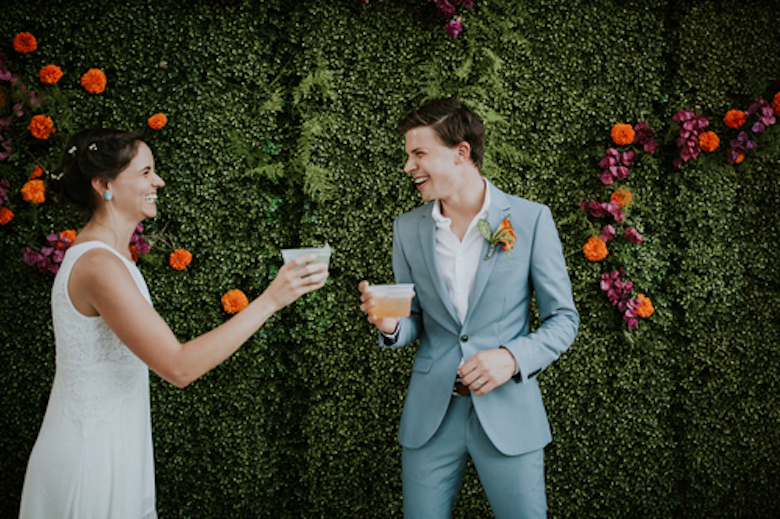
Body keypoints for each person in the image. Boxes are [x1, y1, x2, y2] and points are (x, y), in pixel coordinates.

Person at [18, 128, 328, 519]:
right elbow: (178, 367)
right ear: (104, 185)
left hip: (115, 445)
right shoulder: (99, 266)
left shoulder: (112, 259)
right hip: (91, 457)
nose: (158, 181)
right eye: (145, 172)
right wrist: (270, 300)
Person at [359, 97, 579, 518]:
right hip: (430, 419)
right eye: (408, 156)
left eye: (419, 153)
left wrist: (512, 358)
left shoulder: (531, 220)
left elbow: (564, 319)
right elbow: (413, 322)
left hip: (509, 411)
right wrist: (390, 325)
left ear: (462, 153)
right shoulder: (406, 229)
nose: (409, 167)